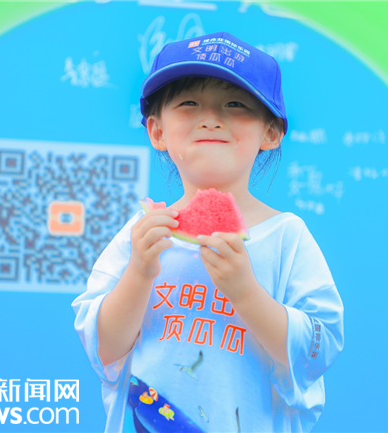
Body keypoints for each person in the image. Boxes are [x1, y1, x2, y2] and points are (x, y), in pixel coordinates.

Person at [72, 31, 344, 433]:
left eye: (235, 104)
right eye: (188, 104)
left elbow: (318, 351)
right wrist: (139, 272)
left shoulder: (286, 236)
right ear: (157, 131)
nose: (211, 118)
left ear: (271, 132)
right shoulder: (142, 232)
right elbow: (105, 348)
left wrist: (246, 292)